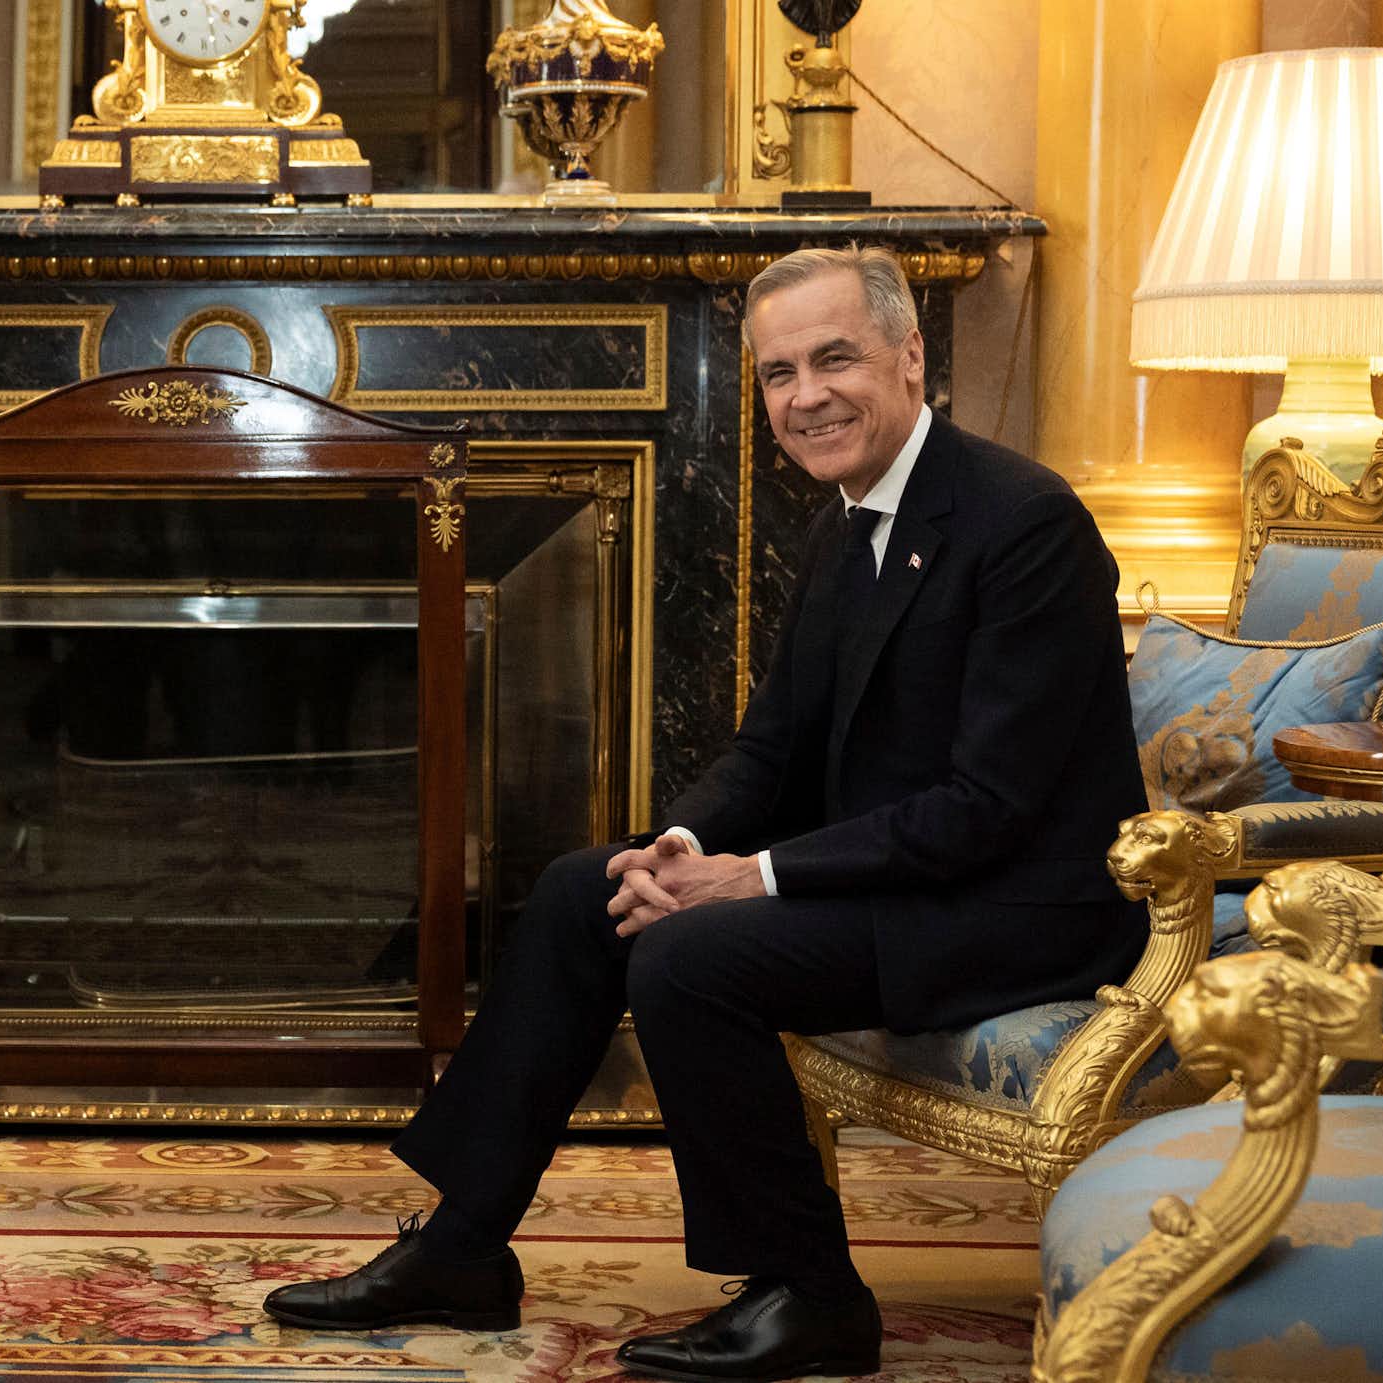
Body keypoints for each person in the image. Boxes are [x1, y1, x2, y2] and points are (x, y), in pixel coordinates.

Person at [262, 245, 1147, 1381]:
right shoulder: (841, 524)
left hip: (1018, 903)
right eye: (778, 374)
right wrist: (673, 848)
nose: (805, 395)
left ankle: (810, 1293)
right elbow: (770, 747)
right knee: (591, 889)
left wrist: (753, 878)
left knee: (692, 956)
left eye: (834, 358)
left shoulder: (1025, 523)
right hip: (906, 879)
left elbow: (988, 809)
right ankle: (463, 1247)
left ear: (911, 355)